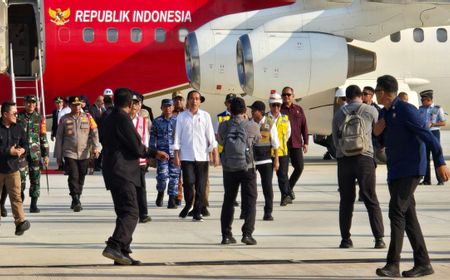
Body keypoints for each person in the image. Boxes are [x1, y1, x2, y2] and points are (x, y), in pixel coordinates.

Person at [374, 75, 450, 278]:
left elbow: (428, 136)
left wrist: (441, 162)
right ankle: (423, 263)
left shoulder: (407, 110)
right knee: (409, 217)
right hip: (396, 170)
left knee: (396, 211)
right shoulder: (385, 113)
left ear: (383, 92)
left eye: (376, 91)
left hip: (411, 170)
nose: (375, 95)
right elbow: (381, 141)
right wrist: (377, 132)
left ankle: (392, 265)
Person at [101, 88, 168, 265]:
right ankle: (114, 245)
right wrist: (154, 153)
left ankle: (122, 252)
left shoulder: (108, 117)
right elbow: (137, 147)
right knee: (132, 211)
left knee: (123, 212)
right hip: (123, 171)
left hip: (113, 170)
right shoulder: (123, 119)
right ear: (130, 104)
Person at [332, 85, 385, 249]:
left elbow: (334, 139)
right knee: (370, 198)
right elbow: (379, 133)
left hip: (344, 159)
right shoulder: (370, 110)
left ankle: (345, 239)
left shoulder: (339, 113)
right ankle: (379, 239)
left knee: (346, 200)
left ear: (346, 98)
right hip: (365, 158)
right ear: (361, 96)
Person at [218, 97, 261, 245]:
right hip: (247, 168)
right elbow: (258, 140)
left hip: (229, 167)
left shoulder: (224, 125)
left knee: (229, 200)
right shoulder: (252, 125)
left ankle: (226, 235)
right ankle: (247, 234)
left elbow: (221, 140)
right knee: (250, 200)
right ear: (244, 110)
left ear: (229, 109)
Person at [173, 90, 219, 221]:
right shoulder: (181, 117)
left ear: (200, 101)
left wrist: (215, 153)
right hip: (186, 156)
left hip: (202, 156)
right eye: (192, 98)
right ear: (187, 100)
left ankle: (197, 211)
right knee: (188, 183)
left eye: (197, 98)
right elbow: (177, 137)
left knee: (201, 184)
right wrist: (176, 155)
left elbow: (210, 136)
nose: (194, 101)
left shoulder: (205, 116)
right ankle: (188, 204)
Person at [55, 96, 100, 212]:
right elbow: (59, 137)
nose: (77, 107)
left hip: (84, 153)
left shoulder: (88, 117)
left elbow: (94, 133)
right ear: (70, 106)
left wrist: (96, 148)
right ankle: (75, 198)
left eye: (79, 104)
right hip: (69, 152)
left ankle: (76, 198)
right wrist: (58, 156)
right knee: (73, 175)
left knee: (81, 176)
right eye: (74, 105)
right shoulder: (64, 119)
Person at [0, 101, 31, 235]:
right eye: (14, 113)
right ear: (5, 114)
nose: (16, 115)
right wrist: (8, 151)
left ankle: (20, 223)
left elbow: (25, 143)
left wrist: (23, 150)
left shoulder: (18, 128)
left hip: (13, 169)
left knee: (16, 197)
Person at [17, 95, 49, 213]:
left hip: (35, 154)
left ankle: (33, 204)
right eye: (28, 103)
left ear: (36, 104)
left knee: (35, 178)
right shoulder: (18, 117)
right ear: (24, 103)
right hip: (22, 153)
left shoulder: (40, 118)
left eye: (33, 103)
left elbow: (43, 136)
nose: (31, 105)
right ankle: (20, 198)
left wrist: (45, 154)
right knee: (21, 178)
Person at [249, 101, 279, 221]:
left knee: (267, 187)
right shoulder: (249, 123)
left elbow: (275, 143)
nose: (251, 112)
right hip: (252, 160)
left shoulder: (270, 123)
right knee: (249, 187)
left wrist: (276, 160)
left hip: (266, 160)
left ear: (260, 112)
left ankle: (268, 212)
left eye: (254, 110)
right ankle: (246, 211)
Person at [150, 99, 180, 209]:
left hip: (175, 153)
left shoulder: (177, 121)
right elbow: (153, 138)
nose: (168, 108)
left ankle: (172, 199)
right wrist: (153, 153)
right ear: (161, 108)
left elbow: (181, 137)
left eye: (170, 106)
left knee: (174, 176)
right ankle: (161, 192)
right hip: (161, 154)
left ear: (173, 107)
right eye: (165, 106)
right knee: (162, 176)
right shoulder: (157, 122)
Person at [281, 87, 308, 201]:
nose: (286, 97)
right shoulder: (279, 111)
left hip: (296, 143)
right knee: (284, 171)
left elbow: (304, 126)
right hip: (283, 145)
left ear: (293, 96)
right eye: (284, 95)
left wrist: (306, 142)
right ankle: (286, 195)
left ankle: (288, 189)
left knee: (299, 167)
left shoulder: (298, 109)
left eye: (288, 94)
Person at [129, 94, 151, 223]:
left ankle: (143, 214)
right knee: (129, 188)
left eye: (136, 103)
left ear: (140, 105)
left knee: (141, 188)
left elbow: (146, 139)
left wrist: (146, 155)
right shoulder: (124, 120)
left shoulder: (143, 121)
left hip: (140, 160)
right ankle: (131, 212)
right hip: (126, 161)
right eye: (132, 103)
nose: (134, 106)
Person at [266, 93, 292, 206]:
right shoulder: (265, 119)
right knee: (268, 177)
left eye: (278, 105)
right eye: (273, 105)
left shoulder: (285, 119)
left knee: (283, 176)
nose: (276, 108)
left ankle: (285, 196)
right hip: (267, 152)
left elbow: (288, 134)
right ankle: (269, 199)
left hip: (282, 152)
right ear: (270, 105)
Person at [418, 89, 447, 185]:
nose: (422, 101)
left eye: (423, 100)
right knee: (425, 157)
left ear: (428, 99)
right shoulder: (421, 109)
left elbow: (443, 122)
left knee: (436, 156)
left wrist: (433, 124)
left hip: (434, 133)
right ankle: (427, 180)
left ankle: (440, 179)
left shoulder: (437, 109)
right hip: (424, 134)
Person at [172, 90, 185, 206]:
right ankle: (178, 196)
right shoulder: (170, 114)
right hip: (175, 148)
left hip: (186, 148)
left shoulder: (187, 113)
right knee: (177, 174)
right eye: (176, 99)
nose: (178, 101)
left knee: (189, 175)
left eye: (180, 99)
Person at [89, 95, 106, 171]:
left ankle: (99, 164)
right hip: (95, 132)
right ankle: (95, 165)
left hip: (101, 132)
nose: (103, 104)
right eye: (102, 102)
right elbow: (93, 121)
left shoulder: (102, 109)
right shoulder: (92, 109)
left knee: (100, 149)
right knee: (95, 148)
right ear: (97, 101)